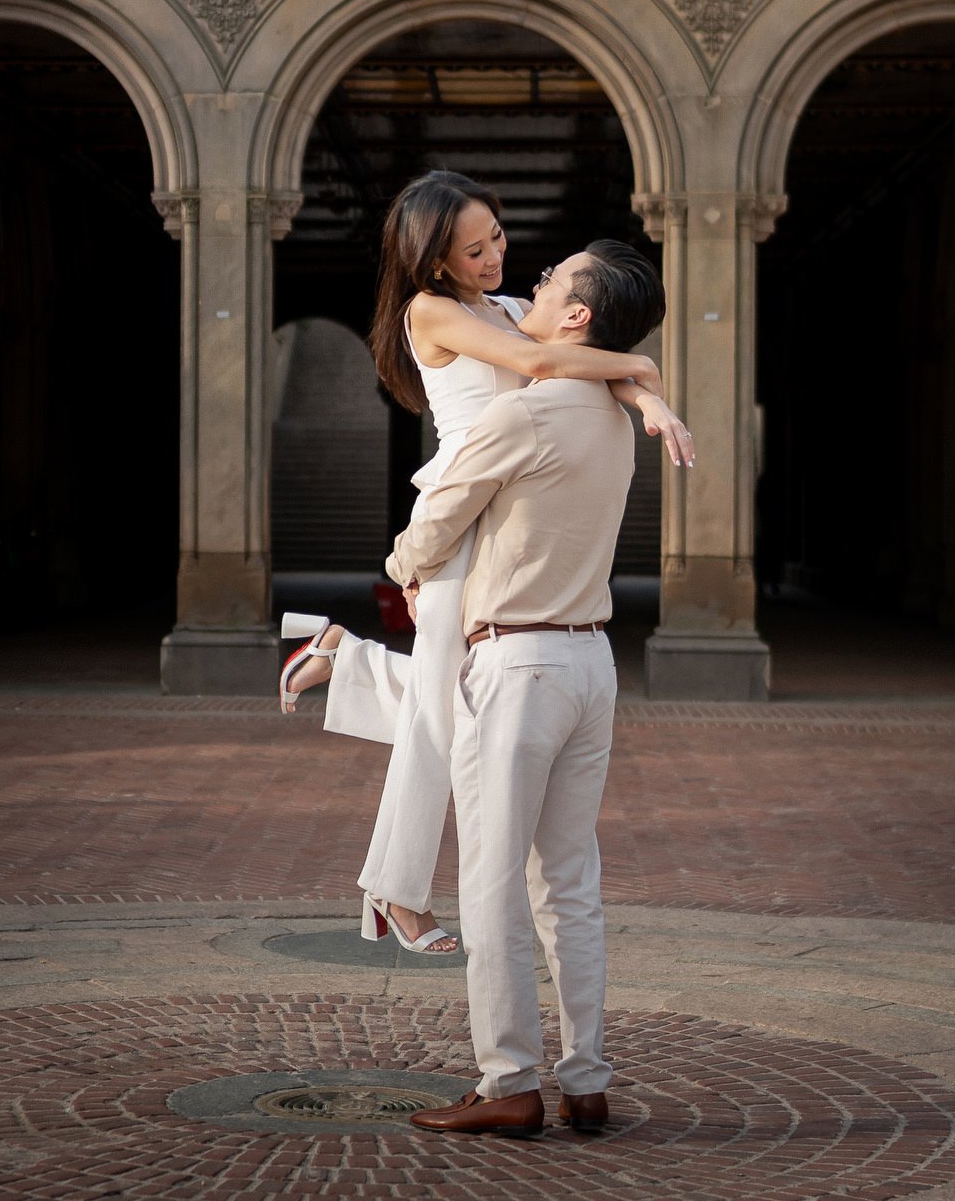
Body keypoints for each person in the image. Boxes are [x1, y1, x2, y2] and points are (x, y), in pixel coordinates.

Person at [278, 173, 692, 957]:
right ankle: (398, 893)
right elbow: (547, 367)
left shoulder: (503, 306)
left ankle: (345, 657)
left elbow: (589, 352)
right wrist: (643, 383)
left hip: (507, 516)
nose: (496, 256)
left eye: (498, 236)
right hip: (460, 512)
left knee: (453, 706)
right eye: (475, 249)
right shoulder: (430, 311)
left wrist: (650, 399)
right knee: (443, 713)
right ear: (434, 258)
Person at [381, 240, 666, 1137]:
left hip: (517, 666)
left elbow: (435, 522)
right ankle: (586, 1078)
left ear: (577, 317)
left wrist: (403, 568)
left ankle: (507, 1081)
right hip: (591, 662)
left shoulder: (529, 415)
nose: (531, 283)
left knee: (495, 885)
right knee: (569, 881)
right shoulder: (613, 418)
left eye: (551, 282)